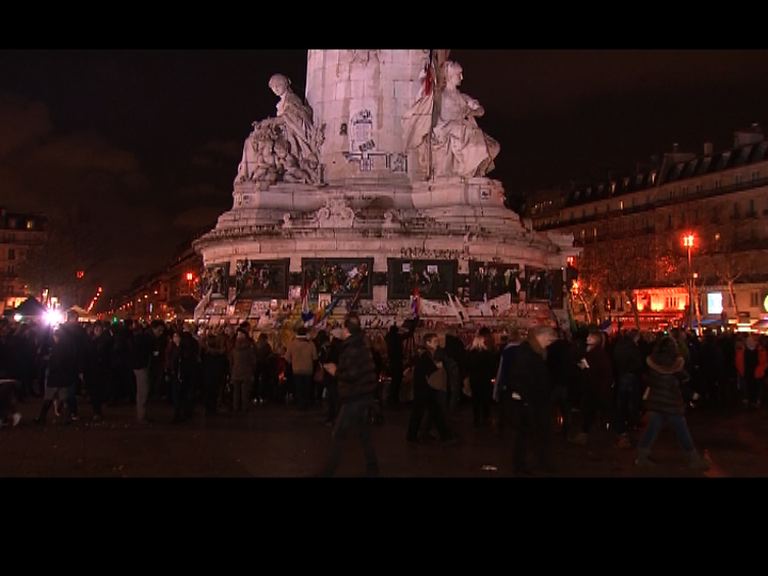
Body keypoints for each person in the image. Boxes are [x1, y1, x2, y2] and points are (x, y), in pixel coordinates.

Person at [635, 336, 710, 470]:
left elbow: (646, 379)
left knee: (652, 430)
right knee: (682, 431)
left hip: (657, 402)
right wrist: (693, 394)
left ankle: (641, 456)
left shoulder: (653, 364)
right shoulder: (676, 367)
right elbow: (683, 383)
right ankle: (693, 459)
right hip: (672, 404)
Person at [319, 314, 380, 477]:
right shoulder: (361, 344)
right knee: (364, 434)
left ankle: (327, 472)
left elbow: (352, 373)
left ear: (346, 330)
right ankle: (372, 468)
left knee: (338, 434)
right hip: (363, 394)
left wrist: (335, 371)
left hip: (354, 396)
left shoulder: (351, 347)